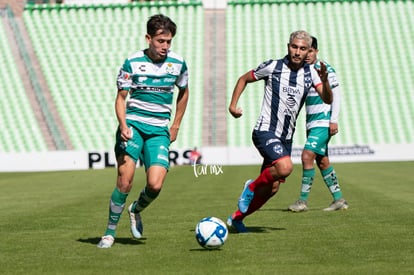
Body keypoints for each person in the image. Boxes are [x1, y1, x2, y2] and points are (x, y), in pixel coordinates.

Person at [97, 14, 190, 248]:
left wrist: (175, 124)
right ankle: (109, 233)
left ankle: (135, 209)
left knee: (155, 185)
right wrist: (123, 125)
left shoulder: (178, 63)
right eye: (161, 41)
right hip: (134, 127)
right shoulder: (132, 62)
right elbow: (120, 98)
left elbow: (184, 92)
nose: (165, 46)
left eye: (169, 41)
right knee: (125, 182)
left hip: (159, 130)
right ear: (149, 38)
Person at [226, 30, 333, 233]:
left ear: (309, 51)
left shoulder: (311, 73)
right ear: (288, 46)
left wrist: (325, 81)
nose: (297, 52)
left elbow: (327, 99)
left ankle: (237, 219)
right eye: (294, 47)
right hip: (265, 131)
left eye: (302, 49)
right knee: (285, 167)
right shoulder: (273, 66)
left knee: (272, 188)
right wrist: (233, 106)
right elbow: (243, 79)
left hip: (286, 138)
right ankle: (250, 187)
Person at [288, 36, 348, 212]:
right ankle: (339, 199)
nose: (307, 55)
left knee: (307, 156)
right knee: (322, 162)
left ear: (316, 51)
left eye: (311, 51)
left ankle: (302, 201)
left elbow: (336, 95)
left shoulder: (325, 69)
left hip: (323, 121)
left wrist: (333, 120)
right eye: (306, 50)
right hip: (312, 123)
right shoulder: (305, 71)